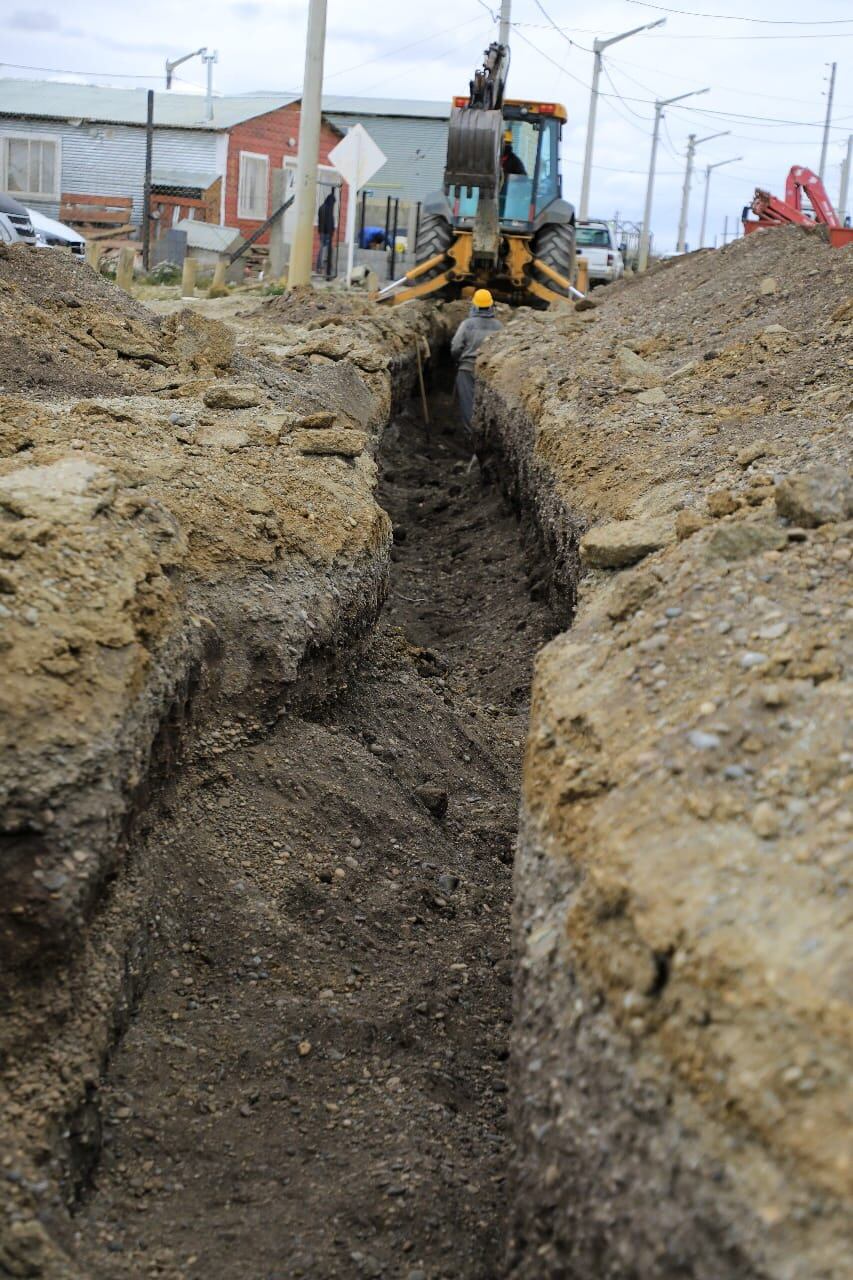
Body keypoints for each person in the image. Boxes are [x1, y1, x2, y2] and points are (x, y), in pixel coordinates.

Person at [451, 289, 502, 431]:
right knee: (486, 404)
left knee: (468, 403)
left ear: (475, 305)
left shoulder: (467, 324)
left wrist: (457, 360)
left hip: (467, 369)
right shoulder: (498, 326)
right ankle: (484, 436)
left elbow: (456, 347)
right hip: (490, 373)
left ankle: (471, 435)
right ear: (491, 306)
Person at [315, 191, 336, 273]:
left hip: (322, 232)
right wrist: (331, 231)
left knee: (321, 249)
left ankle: (319, 267)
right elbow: (329, 222)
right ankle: (325, 268)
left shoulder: (322, 207)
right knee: (327, 251)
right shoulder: (328, 208)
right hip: (327, 233)